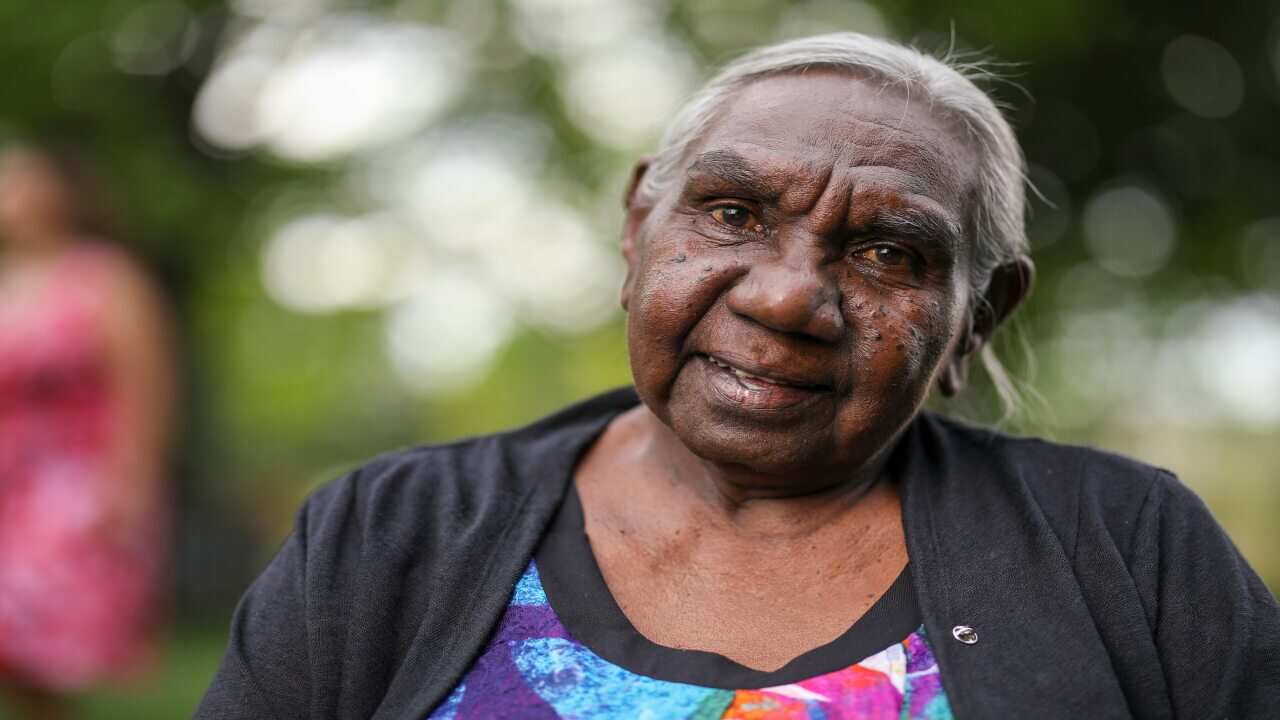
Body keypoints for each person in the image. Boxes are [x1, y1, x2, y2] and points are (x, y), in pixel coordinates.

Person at [196, 33, 1280, 719]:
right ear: (635, 229)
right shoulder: (391, 532)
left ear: (974, 319)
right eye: (731, 215)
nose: (784, 299)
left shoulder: (1129, 547)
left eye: (886, 254)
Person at [0, 145, 175, 719]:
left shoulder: (104, 276)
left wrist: (135, 481)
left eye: (24, 180)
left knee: (37, 637)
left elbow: (145, 383)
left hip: (72, 484)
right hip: (8, 484)